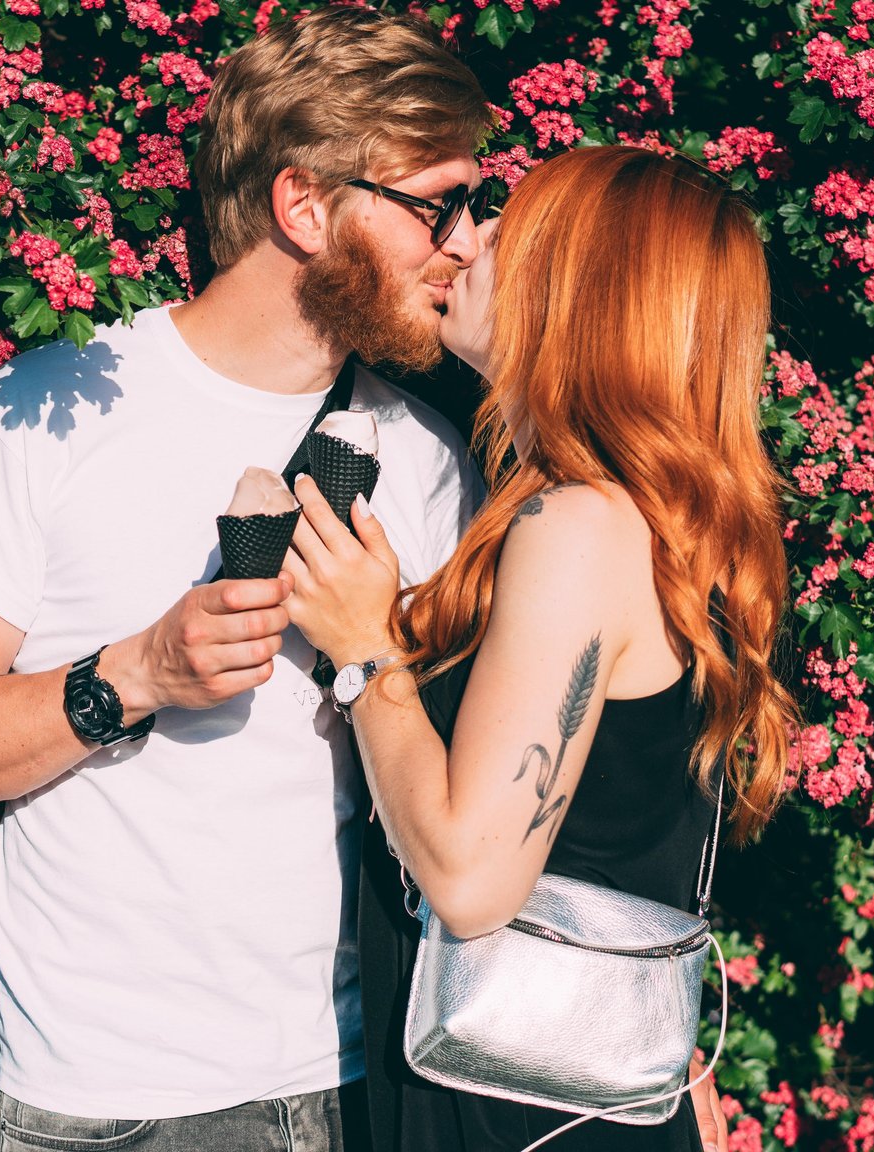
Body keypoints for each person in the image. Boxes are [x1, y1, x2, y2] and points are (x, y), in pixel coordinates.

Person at [0, 10, 490, 1150]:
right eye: (432, 205)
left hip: (378, 1083)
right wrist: (138, 672)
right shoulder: (53, 409)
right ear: (303, 205)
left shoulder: (425, 457)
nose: (463, 242)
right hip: (127, 1102)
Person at [280, 145, 799, 1152]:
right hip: (579, 1102)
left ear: (583, 294)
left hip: (519, 1112)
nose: (461, 242)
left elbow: (470, 884)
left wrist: (362, 652)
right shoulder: (651, 520)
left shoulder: (579, 528)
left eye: (506, 234)